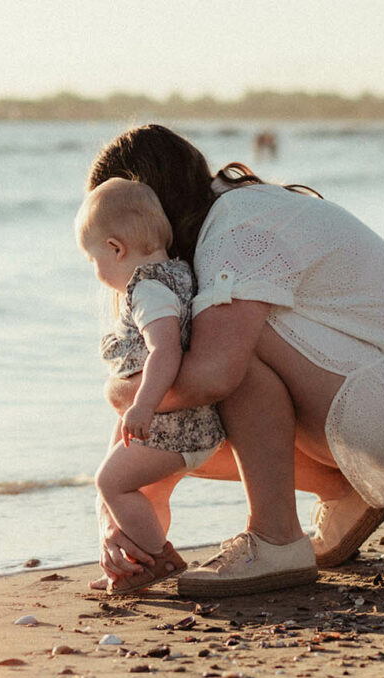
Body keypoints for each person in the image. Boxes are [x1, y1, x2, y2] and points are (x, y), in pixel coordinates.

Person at [85, 124, 384, 598]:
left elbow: (211, 377)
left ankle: (275, 539)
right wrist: (115, 507)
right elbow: (162, 407)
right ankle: (339, 489)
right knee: (180, 418)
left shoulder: (236, 226)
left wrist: (117, 393)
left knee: (221, 358)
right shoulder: (226, 218)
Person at [75, 178, 225, 594]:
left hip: (175, 427)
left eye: (93, 260)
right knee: (136, 490)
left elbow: (165, 352)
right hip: (185, 425)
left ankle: (157, 557)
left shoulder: (149, 291)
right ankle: (135, 562)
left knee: (110, 482)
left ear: (116, 249)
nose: (96, 272)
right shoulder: (177, 272)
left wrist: (141, 405)